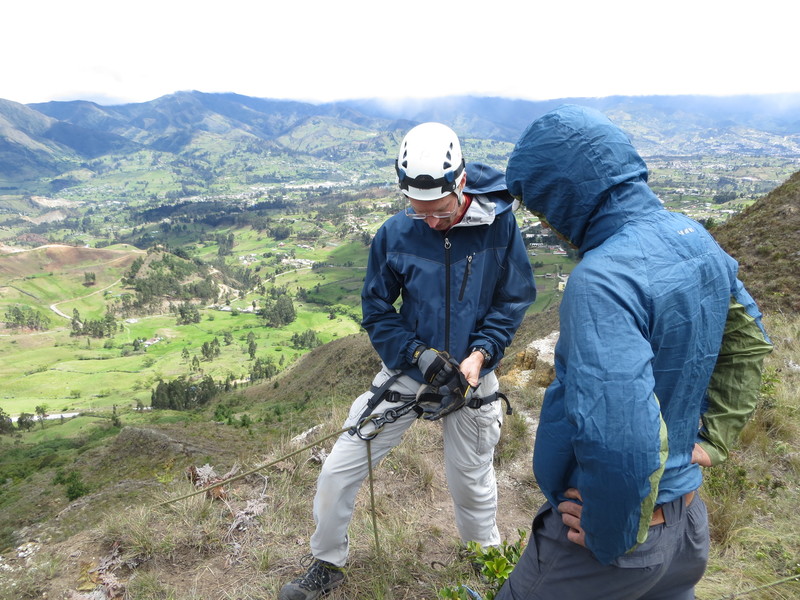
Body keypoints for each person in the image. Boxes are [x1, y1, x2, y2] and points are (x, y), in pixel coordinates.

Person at [495, 105, 773, 600]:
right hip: (686, 527)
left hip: (614, 547)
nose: (547, 221)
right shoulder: (695, 237)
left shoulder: (602, 279)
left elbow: (621, 437)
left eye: (541, 206)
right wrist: (714, 436)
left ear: (565, 194)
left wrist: (610, 531)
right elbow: (748, 340)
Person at [278, 122, 536, 600]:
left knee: (471, 482)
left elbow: (512, 299)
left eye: (438, 212)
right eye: (419, 212)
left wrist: (479, 357)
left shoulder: (499, 225)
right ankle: (327, 562)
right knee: (339, 469)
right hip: (409, 369)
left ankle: (489, 566)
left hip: (471, 374)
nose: (430, 222)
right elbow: (376, 309)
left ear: (459, 185)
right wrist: (417, 354)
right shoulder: (397, 233)